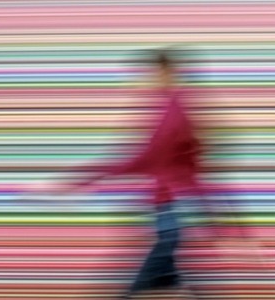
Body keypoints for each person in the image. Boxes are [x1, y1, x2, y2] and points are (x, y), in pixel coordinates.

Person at [21, 49, 251, 299]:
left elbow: (141, 159)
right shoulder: (179, 109)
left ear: (165, 72)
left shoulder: (173, 113)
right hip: (177, 216)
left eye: (149, 74)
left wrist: (72, 183)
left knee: (130, 290)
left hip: (172, 217)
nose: (144, 81)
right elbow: (198, 175)